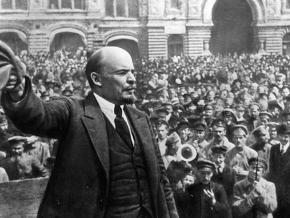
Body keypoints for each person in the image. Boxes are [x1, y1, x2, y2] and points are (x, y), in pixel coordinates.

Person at [1, 47, 178, 217]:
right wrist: (18, 89)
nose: (132, 79)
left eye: (132, 72)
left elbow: (161, 179)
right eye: (122, 73)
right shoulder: (73, 112)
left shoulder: (141, 119)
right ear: (97, 79)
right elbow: (38, 116)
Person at [268, 124, 290, 218]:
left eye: (286, 136)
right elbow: (272, 169)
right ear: (278, 136)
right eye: (281, 136)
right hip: (276, 189)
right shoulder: (274, 148)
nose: (284, 139)